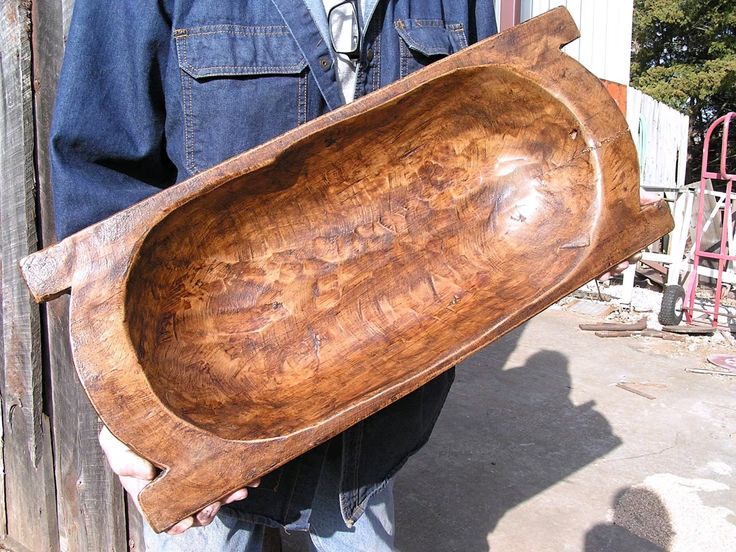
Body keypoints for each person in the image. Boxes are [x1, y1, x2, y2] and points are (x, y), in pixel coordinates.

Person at [51, 1, 499, 550]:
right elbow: (102, 182)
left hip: (371, 428)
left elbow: (480, 167)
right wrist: (134, 413)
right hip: (207, 422)